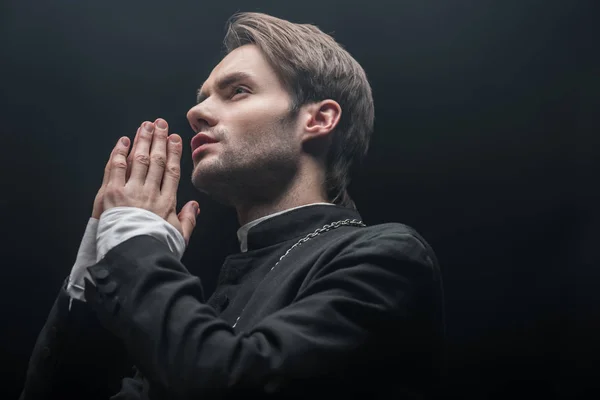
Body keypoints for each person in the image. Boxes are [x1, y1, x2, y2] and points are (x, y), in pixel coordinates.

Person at [20, 12, 445, 400]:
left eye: (237, 91)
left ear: (317, 120)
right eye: (203, 96)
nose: (197, 111)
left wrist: (136, 248)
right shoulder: (203, 311)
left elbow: (230, 382)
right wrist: (101, 265)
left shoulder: (387, 258)